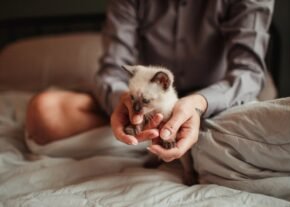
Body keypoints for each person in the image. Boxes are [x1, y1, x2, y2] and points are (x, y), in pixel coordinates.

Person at [26, 0, 275, 161]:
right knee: (44, 112)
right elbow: (113, 70)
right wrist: (123, 103)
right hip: (143, 105)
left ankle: (162, 141)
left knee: (259, 131)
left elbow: (248, 74)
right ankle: (153, 140)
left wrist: (198, 104)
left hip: (210, 105)